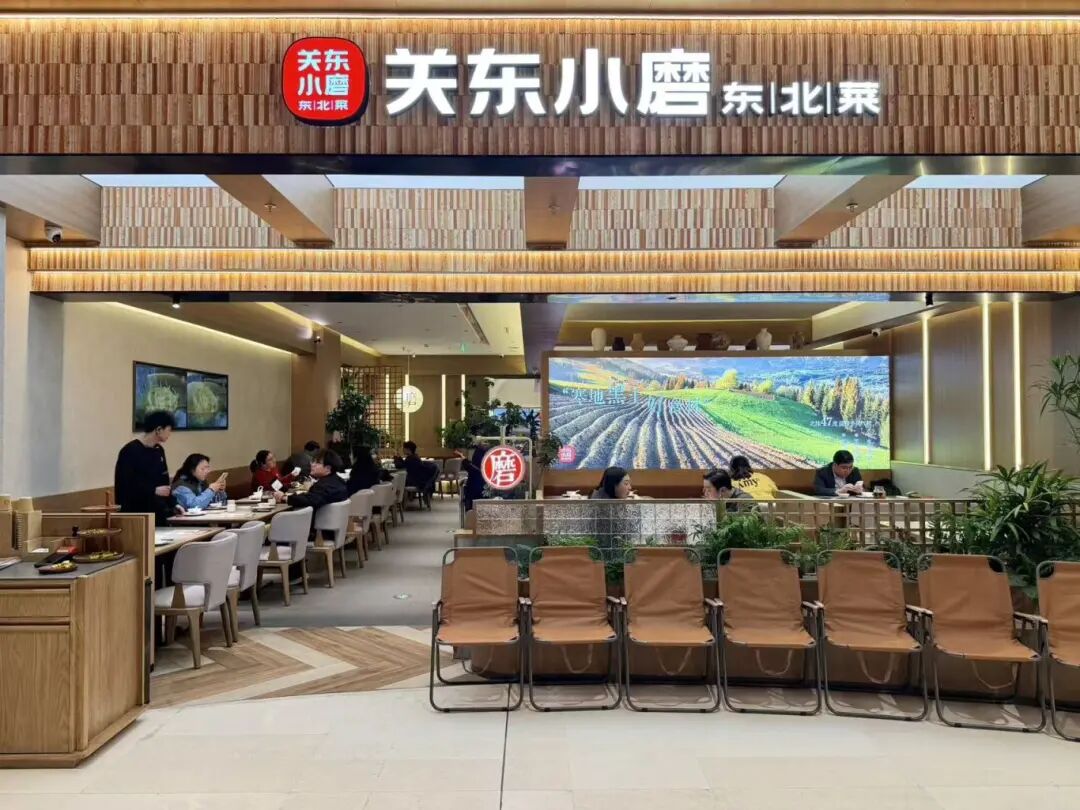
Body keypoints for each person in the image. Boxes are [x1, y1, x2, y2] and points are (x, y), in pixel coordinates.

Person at [115, 410, 175, 526]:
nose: (170, 434)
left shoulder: (159, 450)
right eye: (169, 430)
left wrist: (173, 504)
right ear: (158, 430)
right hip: (136, 514)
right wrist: (153, 490)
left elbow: (164, 482)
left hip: (158, 512)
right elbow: (126, 484)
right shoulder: (130, 451)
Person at [274, 449, 348, 515]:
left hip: (318, 522)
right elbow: (311, 496)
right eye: (313, 461)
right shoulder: (339, 481)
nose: (312, 465)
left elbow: (310, 499)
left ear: (328, 468)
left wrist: (284, 497)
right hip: (334, 520)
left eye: (317, 463)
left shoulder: (323, 486)